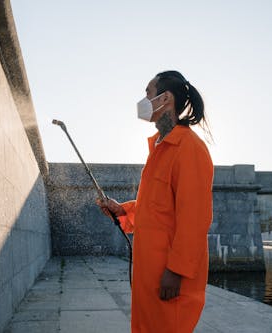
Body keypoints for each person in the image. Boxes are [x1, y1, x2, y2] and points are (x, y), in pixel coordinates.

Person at [97, 70, 213, 333]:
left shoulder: (189, 148)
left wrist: (176, 271)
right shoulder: (159, 148)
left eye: (148, 92)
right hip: (149, 274)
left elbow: (194, 218)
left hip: (169, 277)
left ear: (165, 98)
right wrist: (122, 211)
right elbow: (155, 209)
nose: (143, 99)